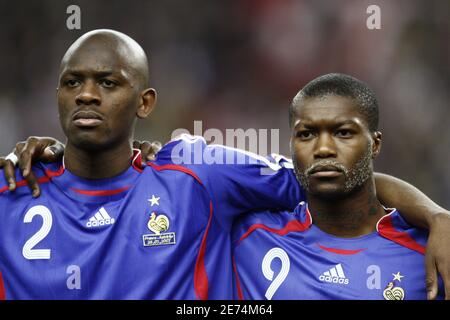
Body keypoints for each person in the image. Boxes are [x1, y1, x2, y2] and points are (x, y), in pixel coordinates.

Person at [0, 30, 449, 300]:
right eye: (72, 82)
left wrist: (435, 216)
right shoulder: (12, 189)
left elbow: (333, 181)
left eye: (108, 82)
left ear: (145, 102)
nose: (87, 95)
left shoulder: (199, 171)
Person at [232, 73, 444, 299]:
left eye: (343, 133)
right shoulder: (249, 236)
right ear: (291, 145)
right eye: (306, 134)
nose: (323, 148)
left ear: (375, 144)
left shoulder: (431, 252)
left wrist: (438, 217)